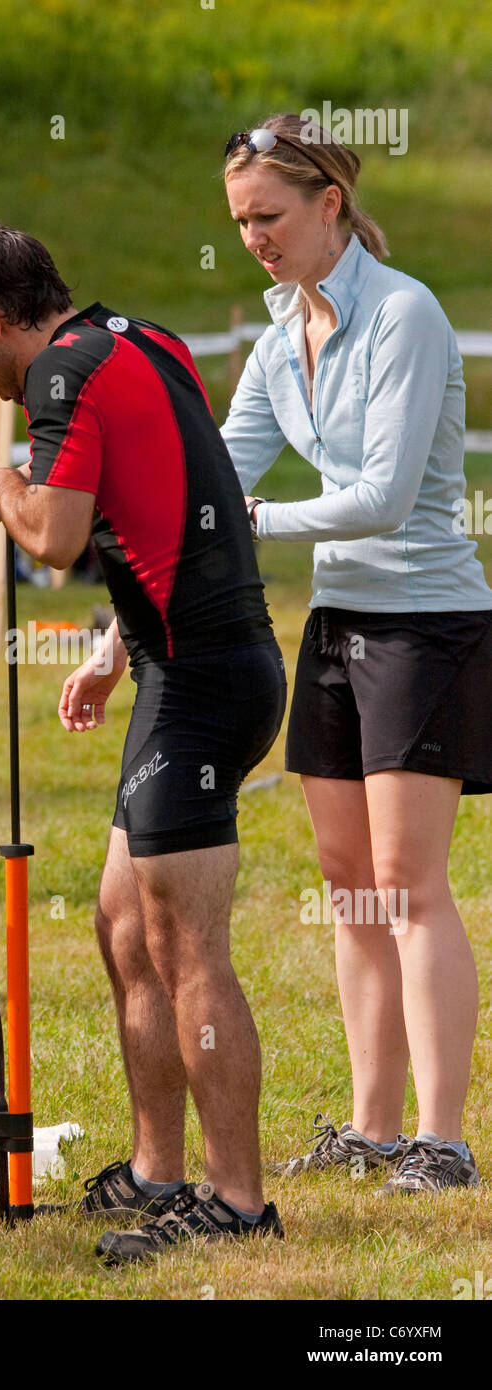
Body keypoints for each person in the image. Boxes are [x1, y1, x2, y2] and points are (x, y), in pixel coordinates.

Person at [0, 221, 287, 1264]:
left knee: (186, 950)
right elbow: (167, 507)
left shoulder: (60, 380)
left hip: (204, 685)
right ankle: (157, 1173)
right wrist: (112, 653)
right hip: (183, 667)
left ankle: (239, 1204)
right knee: (123, 927)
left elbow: (57, 537)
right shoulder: (142, 339)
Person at [219, 114, 492, 1194]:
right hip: (335, 624)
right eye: (238, 222)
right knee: (347, 885)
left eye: (270, 217)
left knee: (405, 881)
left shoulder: (406, 314)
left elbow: (377, 499)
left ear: (329, 203)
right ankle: (372, 1128)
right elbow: (217, 465)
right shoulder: (276, 332)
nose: (254, 240)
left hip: (425, 619)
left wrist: (244, 518)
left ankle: (441, 1139)